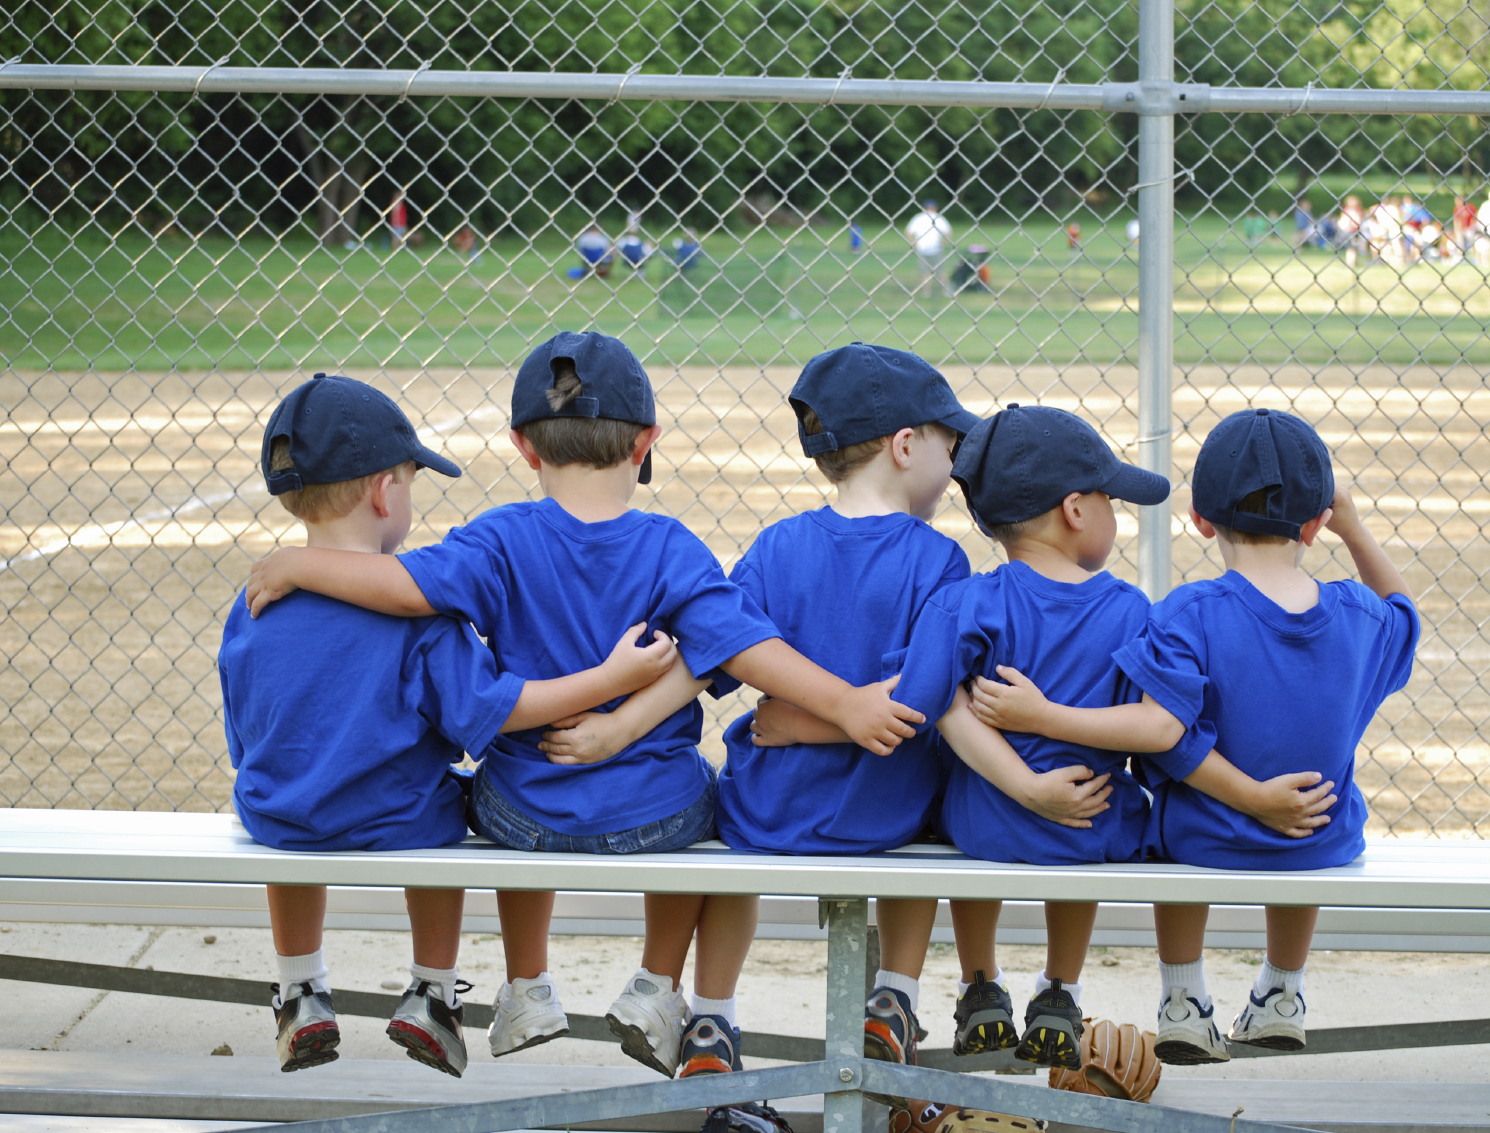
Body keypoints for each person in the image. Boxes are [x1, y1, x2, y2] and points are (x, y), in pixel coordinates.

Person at [242, 331, 924, 1080]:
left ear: (524, 447)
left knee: (497, 775)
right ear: (645, 442)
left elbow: (403, 587)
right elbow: (740, 645)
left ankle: (527, 984)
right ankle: (656, 985)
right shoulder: (670, 545)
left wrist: (300, 560)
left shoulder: (498, 538)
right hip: (654, 817)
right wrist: (847, 704)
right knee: (713, 793)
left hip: (521, 817)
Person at [222, 374, 679, 1076]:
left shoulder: (252, 603)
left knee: (288, 796)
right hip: (395, 819)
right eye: (409, 482)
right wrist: (612, 682)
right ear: (383, 493)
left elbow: (249, 739)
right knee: (448, 801)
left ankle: (300, 988)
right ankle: (432, 991)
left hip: (279, 816)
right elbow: (498, 710)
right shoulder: (421, 620)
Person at [888, 406, 1316, 1072]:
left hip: (983, 822)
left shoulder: (966, 601)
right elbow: (1155, 731)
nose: (1117, 514)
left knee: (951, 809)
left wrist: (1024, 785)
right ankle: (1061, 988)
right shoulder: (1128, 610)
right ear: (1075, 511)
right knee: (1102, 799)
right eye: (1111, 499)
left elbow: (931, 702)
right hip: (1090, 827)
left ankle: (980, 983)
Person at [677, 343, 988, 1085]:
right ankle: (895, 998)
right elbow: (915, 702)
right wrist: (851, 715)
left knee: (729, 841)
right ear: (906, 445)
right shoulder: (937, 559)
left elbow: (722, 656)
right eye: (950, 444)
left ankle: (712, 1012)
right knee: (940, 796)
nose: (955, 466)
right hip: (890, 813)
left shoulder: (775, 546)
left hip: (770, 811)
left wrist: (800, 720)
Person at [1114, 408, 1418, 1065]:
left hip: (1204, 839)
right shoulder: (1360, 615)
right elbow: (1406, 615)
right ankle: (1283, 990)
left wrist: (1250, 797)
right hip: (1320, 842)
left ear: (1199, 519)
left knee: (1166, 828)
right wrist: (1358, 530)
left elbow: (1166, 739)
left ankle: (1183, 1001)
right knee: (1311, 810)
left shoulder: (1187, 614)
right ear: (1316, 523)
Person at [905, 199, 953, 297]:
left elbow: (908, 231)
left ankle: (939, 291)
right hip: (926, 249)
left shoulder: (933, 218)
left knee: (937, 272)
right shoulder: (922, 218)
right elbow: (949, 231)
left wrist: (913, 242)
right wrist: (944, 243)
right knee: (927, 272)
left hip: (932, 249)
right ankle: (931, 292)